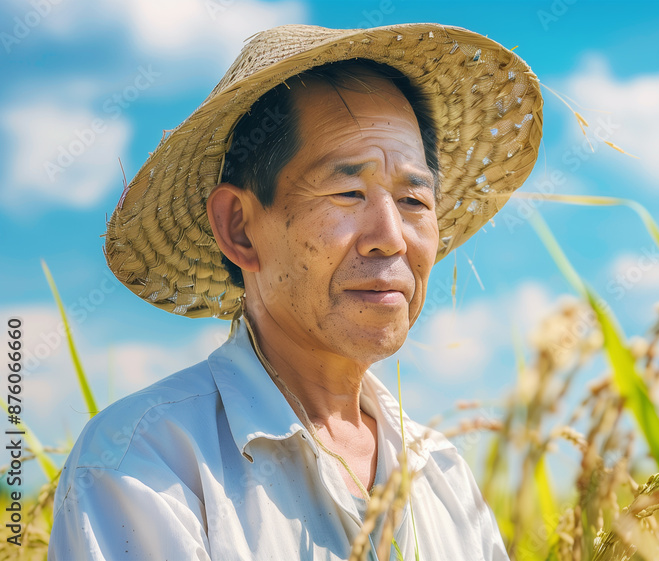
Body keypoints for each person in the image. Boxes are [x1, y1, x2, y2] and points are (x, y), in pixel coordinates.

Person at [48, 23, 542, 560]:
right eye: (348, 191)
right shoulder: (148, 461)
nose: (391, 237)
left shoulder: (442, 473)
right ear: (239, 227)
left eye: (414, 200)